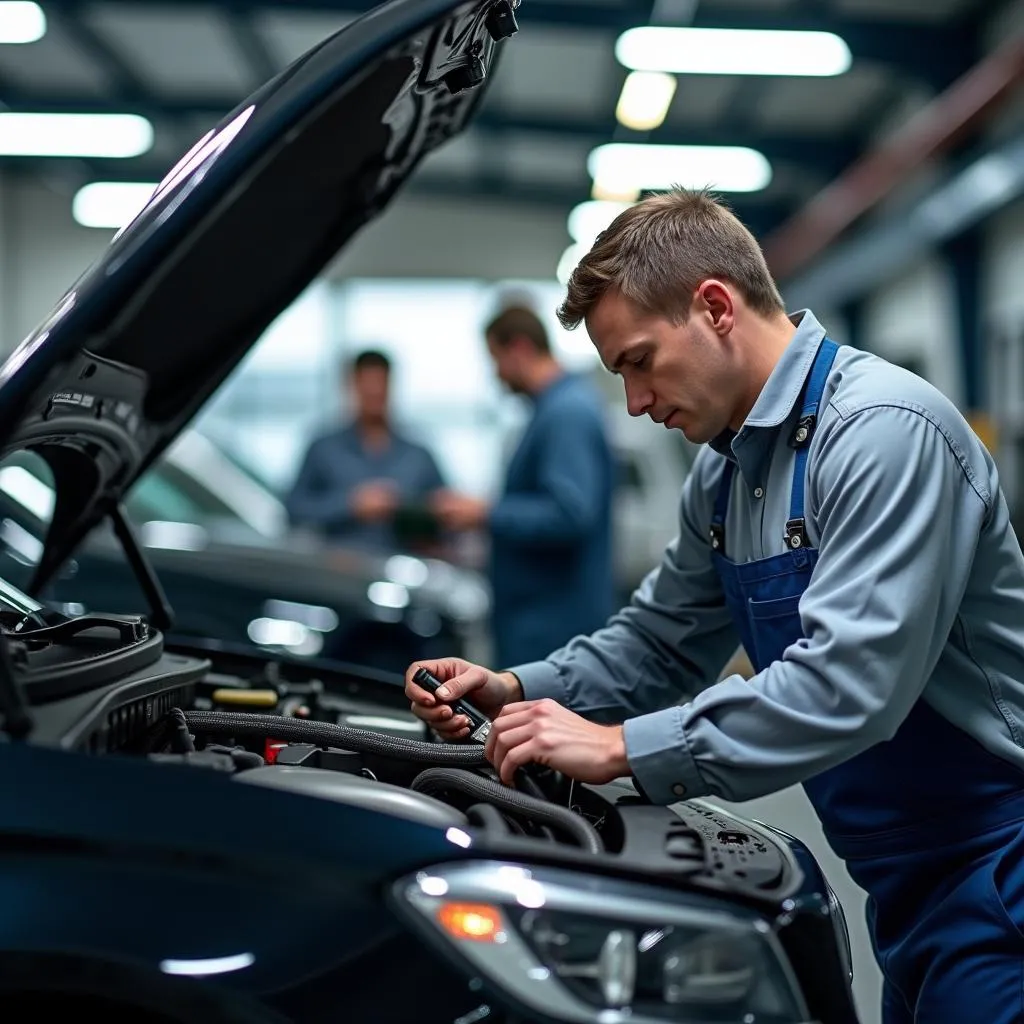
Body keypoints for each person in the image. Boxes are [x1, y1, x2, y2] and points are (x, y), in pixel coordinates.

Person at [406, 188, 1024, 1023]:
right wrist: (515, 688)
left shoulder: (883, 433)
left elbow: (849, 686)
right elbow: (660, 643)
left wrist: (625, 745)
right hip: (908, 881)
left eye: (637, 361)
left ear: (714, 307)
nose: (633, 403)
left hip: (1002, 864)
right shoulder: (729, 475)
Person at [431, 305, 616, 666]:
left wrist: (485, 512)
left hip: (554, 627)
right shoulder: (551, 410)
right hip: (538, 622)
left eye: (496, 359)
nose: (496, 374)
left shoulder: (567, 414)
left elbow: (569, 513)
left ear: (518, 349)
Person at [285, 349, 446, 551]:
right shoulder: (323, 448)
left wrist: (409, 510)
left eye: (381, 384)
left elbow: (444, 511)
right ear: (351, 386)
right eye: (367, 385)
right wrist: (350, 504)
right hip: (339, 570)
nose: (375, 392)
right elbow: (294, 509)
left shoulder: (418, 452)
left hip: (404, 567)